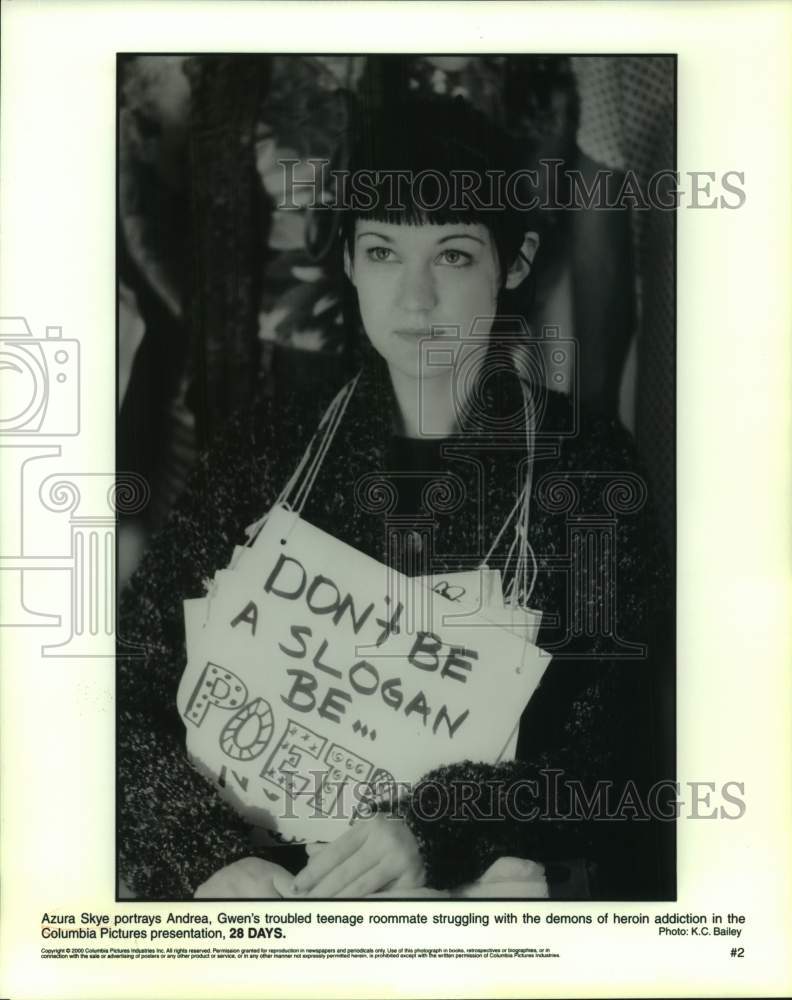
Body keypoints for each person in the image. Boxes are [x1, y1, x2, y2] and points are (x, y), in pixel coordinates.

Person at [118, 95, 672, 902]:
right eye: (382, 252)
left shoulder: (582, 469)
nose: (415, 301)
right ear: (346, 261)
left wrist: (433, 831)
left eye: (451, 256)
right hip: (254, 890)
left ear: (512, 263)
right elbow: (129, 679)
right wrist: (203, 855)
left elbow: (608, 756)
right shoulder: (275, 442)